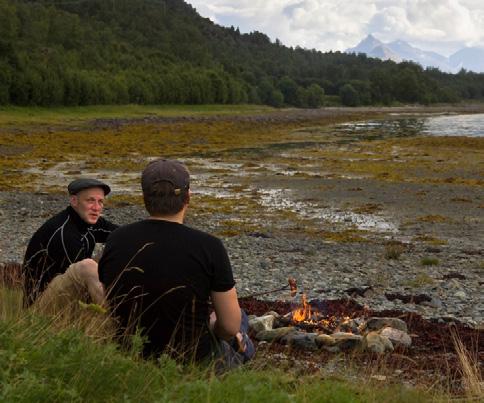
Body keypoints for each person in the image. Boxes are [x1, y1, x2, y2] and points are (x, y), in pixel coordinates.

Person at [98, 159, 254, 369]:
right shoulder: (210, 246)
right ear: (187, 197)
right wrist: (213, 324)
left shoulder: (116, 239)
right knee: (240, 320)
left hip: (131, 353)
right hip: (193, 361)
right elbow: (228, 326)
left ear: (145, 198)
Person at [22, 178, 118, 306]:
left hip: (66, 297)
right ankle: (115, 322)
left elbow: (123, 234)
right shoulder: (64, 233)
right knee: (87, 267)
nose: (96, 208)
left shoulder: (89, 220)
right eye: (90, 200)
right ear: (74, 201)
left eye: (100, 202)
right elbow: (83, 283)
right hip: (39, 306)